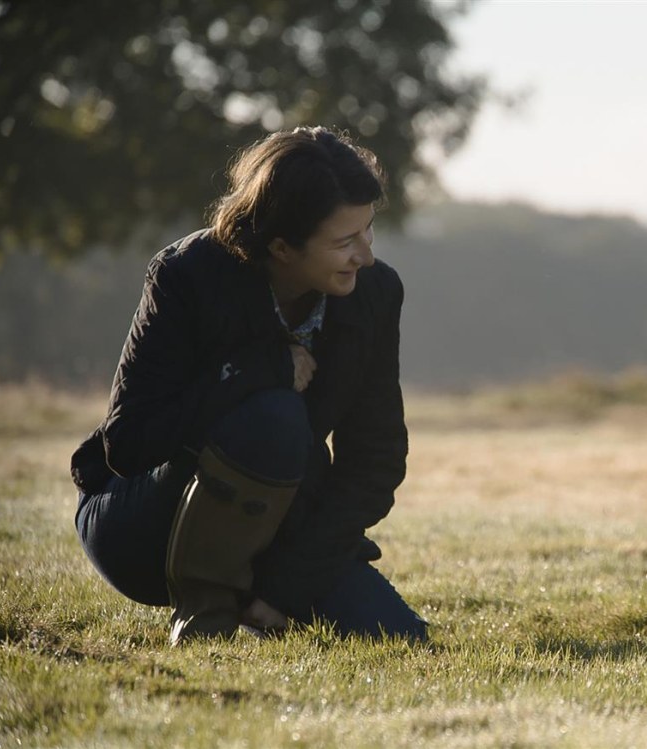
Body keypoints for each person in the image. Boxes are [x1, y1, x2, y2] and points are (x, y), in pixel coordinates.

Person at [69, 126, 428, 646]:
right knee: (275, 416)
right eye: (345, 241)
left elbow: (375, 458)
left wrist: (288, 589)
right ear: (281, 246)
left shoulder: (375, 292)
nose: (365, 256)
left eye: (368, 231)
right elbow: (130, 442)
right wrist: (262, 370)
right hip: (142, 525)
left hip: (282, 524)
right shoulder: (186, 274)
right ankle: (207, 610)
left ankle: (256, 602)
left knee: (398, 638)